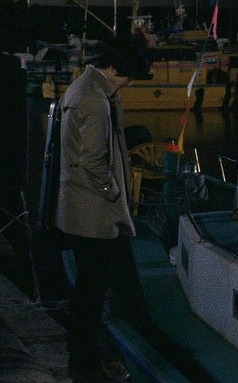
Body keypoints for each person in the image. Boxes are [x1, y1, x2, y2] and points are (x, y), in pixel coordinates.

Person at [54, 32, 151, 383]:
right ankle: (86, 365)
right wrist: (114, 193)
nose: (130, 83)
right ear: (115, 68)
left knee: (88, 289)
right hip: (93, 212)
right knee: (91, 292)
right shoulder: (95, 101)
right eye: (129, 75)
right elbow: (93, 160)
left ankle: (84, 359)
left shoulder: (83, 89)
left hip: (79, 206)